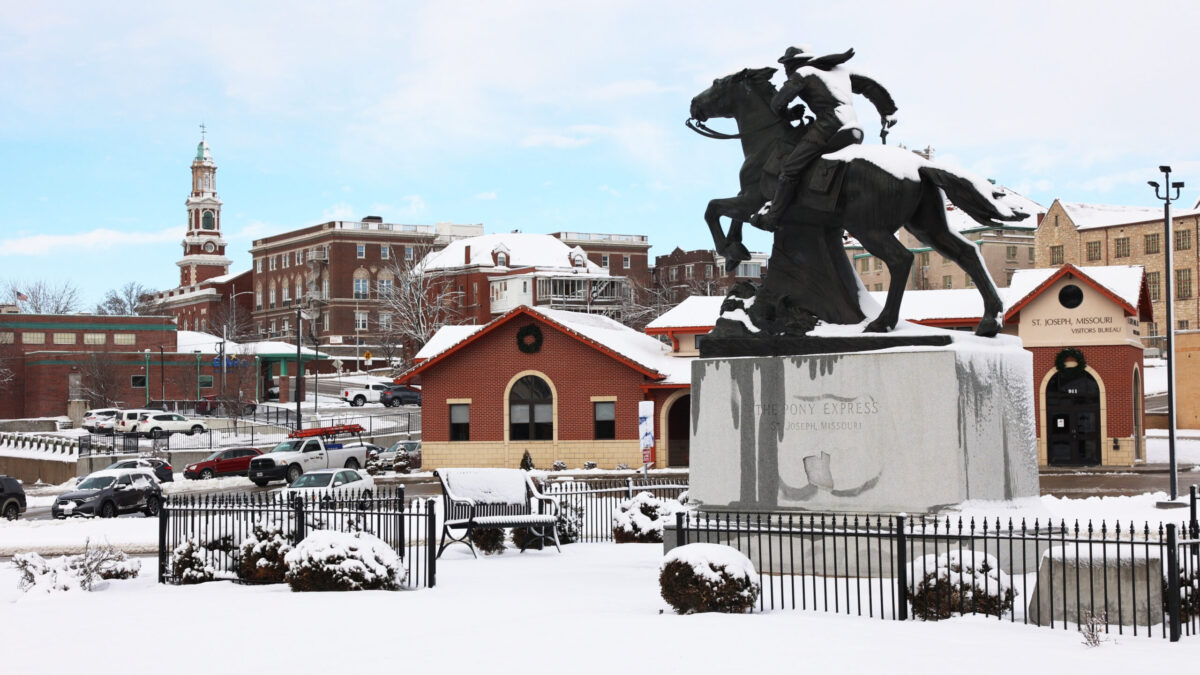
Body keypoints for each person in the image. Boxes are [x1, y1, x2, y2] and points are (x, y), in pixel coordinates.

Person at [753, 45, 899, 231]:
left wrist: (790, 114)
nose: (785, 71)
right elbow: (870, 86)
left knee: (790, 168)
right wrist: (888, 111)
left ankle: (773, 217)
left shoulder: (804, 73)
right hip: (852, 122)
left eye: (786, 66)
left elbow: (777, 103)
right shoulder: (839, 72)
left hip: (829, 123)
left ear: (792, 64)